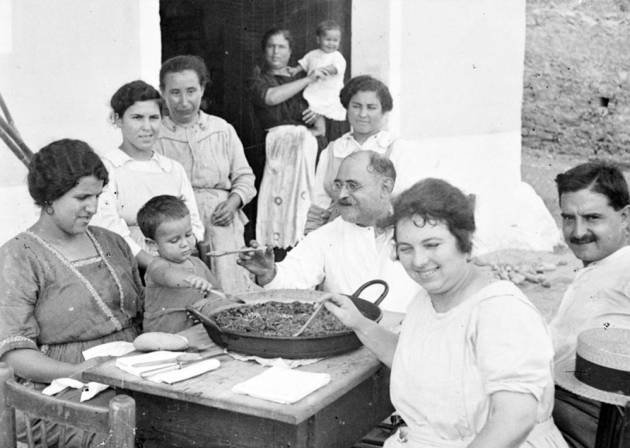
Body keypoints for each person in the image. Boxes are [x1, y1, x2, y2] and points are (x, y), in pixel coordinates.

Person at [323, 178, 568, 447]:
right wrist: (359, 323)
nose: (418, 261)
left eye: (432, 245)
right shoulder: (426, 300)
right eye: (406, 248)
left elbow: (516, 417)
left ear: (465, 243)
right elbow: (417, 362)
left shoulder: (500, 310)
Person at [0, 139, 143, 447]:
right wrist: (78, 371)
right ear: (49, 198)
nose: (92, 207)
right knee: (116, 434)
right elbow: (15, 354)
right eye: (82, 197)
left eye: (97, 195)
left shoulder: (113, 242)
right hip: (58, 387)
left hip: (132, 372)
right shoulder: (18, 257)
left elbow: (144, 316)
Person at [238, 150, 422, 312]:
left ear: (386, 187)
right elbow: (294, 277)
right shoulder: (327, 235)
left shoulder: (419, 229)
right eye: (338, 185)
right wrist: (268, 273)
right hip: (349, 341)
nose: (341, 195)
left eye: (352, 185)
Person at [156, 55, 257, 293]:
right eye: (175, 92)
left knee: (228, 281)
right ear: (162, 92)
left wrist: (233, 203)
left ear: (202, 89)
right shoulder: (156, 134)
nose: (183, 101)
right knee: (187, 284)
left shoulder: (221, 129)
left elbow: (245, 177)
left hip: (219, 216)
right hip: (176, 220)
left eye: (191, 91)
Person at [549, 162, 630, 448]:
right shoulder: (597, 268)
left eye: (592, 217)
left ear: (625, 217)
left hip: (595, 419)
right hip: (558, 402)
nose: (578, 231)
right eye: (568, 218)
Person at [91, 80, 204, 270]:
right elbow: (108, 227)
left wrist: (177, 260)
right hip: (126, 266)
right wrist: (154, 265)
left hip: (178, 265)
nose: (147, 127)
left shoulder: (172, 169)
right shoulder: (107, 168)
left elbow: (194, 224)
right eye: (137, 117)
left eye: (153, 117)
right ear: (118, 119)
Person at [247, 28, 335, 253]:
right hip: (274, 151)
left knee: (305, 208)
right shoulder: (259, 77)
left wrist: (316, 115)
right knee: (274, 210)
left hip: (304, 151)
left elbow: (320, 128)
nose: (276, 52)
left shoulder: (305, 80)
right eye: (271, 46)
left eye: (282, 46)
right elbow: (271, 97)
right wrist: (308, 79)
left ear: (291, 50)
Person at [306, 75, 403, 233]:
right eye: (356, 106)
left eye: (371, 107)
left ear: (383, 111)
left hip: (382, 237)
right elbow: (318, 209)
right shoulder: (332, 151)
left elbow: (401, 203)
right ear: (347, 108)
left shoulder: (395, 148)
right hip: (339, 237)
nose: (362, 114)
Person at [137, 195, 235, 333]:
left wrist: (206, 303)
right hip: (162, 336)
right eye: (174, 240)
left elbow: (217, 291)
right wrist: (189, 279)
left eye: (188, 235)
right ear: (152, 244)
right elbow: (167, 276)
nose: (184, 244)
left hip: (193, 333)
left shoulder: (198, 264)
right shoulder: (157, 266)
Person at [289, 20, 347, 136]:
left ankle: (321, 130)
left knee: (323, 109)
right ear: (318, 40)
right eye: (328, 40)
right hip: (315, 90)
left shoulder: (337, 57)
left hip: (330, 92)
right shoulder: (313, 54)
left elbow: (336, 68)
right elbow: (304, 63)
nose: (331, 43)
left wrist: (326, 70)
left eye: (335, 40)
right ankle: (318, 128)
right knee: (312, 106)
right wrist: (296, 69)